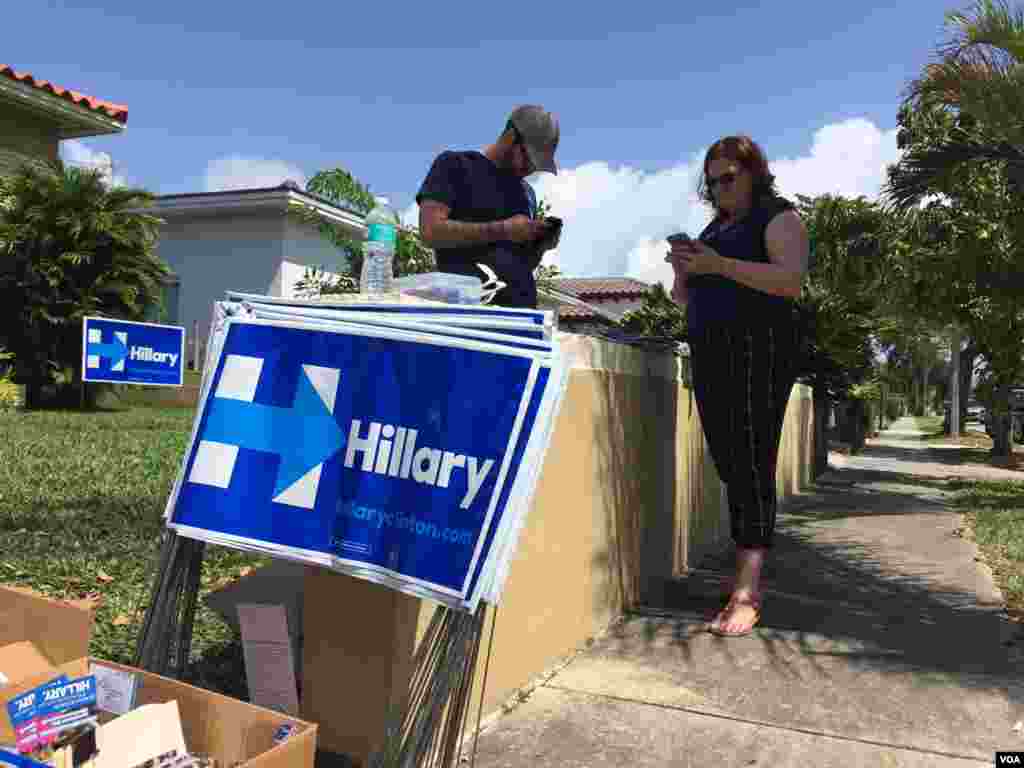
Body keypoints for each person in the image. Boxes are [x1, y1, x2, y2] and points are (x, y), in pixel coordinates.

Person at [666, 135, 810, 637]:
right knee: (731, 464)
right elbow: (685, 299)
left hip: (760, 353)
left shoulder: (777, 216)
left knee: (751, 461)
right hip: (712, 355)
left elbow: (790, 281)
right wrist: (684, 271)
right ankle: (743, 579)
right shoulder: (715, 228)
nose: (720, 189)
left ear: (753, 173)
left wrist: (718, 264)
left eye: (728, 178)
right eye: (712, 182)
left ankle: (747, 590)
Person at [415, 105, 562, 308]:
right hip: (471, 315)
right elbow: (430, 231)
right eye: (529, 158)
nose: (530, 169)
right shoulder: (455, 166)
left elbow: (520, 265)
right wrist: (503, 229)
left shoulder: (527, 193)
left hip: (520, 317)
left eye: (536, 165)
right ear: (510, 137)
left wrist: (540, 247)